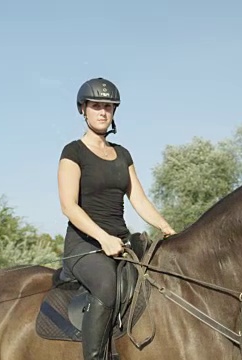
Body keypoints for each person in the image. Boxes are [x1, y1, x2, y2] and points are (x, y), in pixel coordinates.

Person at [57, 77, 176, 359]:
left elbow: (139, 199)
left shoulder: (123, 154)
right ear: (83, 109)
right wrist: (102, 238)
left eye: (108, 107)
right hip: (84, 246)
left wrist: (166, 227)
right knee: (107, 285)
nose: (102, 112)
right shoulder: (72, 152)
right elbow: (69, 206)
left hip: (120, 244)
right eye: (96, 105)